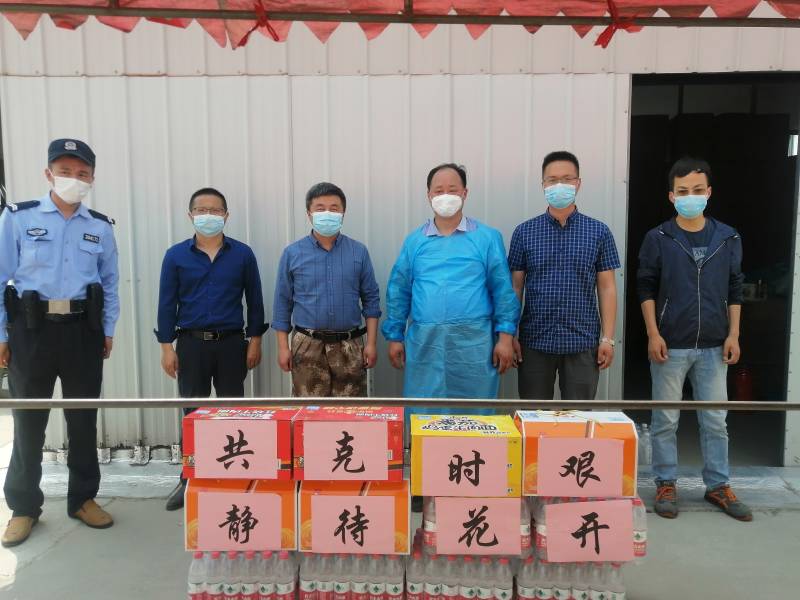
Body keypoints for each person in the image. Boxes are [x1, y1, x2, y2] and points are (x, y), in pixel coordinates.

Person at [0, 139, 120, 546]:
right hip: (31, 330)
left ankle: (83, 498)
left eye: (82, 173)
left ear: (92, 179)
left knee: (83, 419)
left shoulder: (99, 226)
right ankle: (23, 507)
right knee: (28, 420)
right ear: (48, 174)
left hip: (83, 331)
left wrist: (107, 329)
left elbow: (110, 283)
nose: (74, 178)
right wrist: (1, 334)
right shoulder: (18, 217)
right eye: (65, 171)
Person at [637, 156, 751, 522]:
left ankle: (718, 485)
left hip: (715, 345)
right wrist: (653, 333)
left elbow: (735, 287)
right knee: (665, 420)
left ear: (709, 192)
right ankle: (665, 484)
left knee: (715, 420)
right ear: (672, 196)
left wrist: (734, 334)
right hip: (671, 344)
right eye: (683, 191)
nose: (691, 197)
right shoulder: (658, 238)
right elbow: (645, 287)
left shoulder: (727, 237)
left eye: (697, 190)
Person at [156, 187, 267, 511]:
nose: (209, 216)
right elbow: (166, 303)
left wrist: (255, 340)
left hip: (232, 344)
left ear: (226, 216)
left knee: (233, 411)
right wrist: (167, 347)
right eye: (202, 210)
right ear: (190, 215)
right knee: (193, 414)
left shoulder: (242, 254)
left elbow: (255, 300)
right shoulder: (175, 256)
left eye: (215, 210)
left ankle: (234, 477)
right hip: (191, 344)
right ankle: (189, 480)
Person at [382, 163, 520, 407]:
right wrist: (395, 336)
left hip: (475, 345)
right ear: (429, 195)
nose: (445, 195)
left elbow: (503, 291)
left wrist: (506, 338)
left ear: (465, 193)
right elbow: (399, 291)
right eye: (439, 190)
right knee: (425, 411)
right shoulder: (415, 242)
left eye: (452, 190)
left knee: (474, 412)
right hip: (425, 343)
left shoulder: (487, 238)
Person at [509, 151, 620, 400]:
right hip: (535, 342)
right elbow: (515, 288)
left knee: (579, 417)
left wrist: (608, 339)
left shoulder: (599, 232)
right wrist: (511, 335)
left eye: (567, 179)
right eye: (552, 180)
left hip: (582, 343)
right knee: (534, 415)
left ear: (578, 183)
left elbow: (607, 288)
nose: (559, 185)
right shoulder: (524, 232)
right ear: (543, 185)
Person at [273, 182, 380, 396]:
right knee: (309, 410)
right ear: (309, 213)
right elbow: (282, 303)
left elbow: (371, 300)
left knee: (349, 410)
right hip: (307, 345)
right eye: (320, 208)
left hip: (349, 346)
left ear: (343, 213)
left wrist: (371, 343)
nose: (327, 214)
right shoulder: (292, 253)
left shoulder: (358, 252)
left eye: (334, 208)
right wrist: (283, 348)